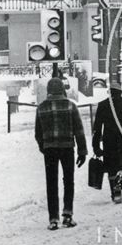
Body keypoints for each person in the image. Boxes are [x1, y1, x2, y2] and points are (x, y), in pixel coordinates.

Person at [35, 78, 87, 231]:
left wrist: (43, 146)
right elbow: (79, 130)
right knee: (68, 181)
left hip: (50, 149)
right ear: (62, 89)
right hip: (67, 148)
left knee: (51, 183)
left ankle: (53, 219)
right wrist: (82, 151)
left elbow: (38, 133)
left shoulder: (41, 107)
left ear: (49, 90)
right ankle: (68, 215)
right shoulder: (70, 106)